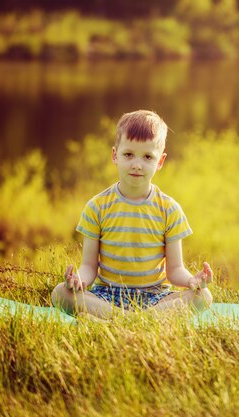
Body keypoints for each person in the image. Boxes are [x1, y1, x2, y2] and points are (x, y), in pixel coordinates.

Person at [51, 110, 213, 319]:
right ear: (115, 155)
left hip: (154, 298)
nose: (137, 164)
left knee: (203, 296)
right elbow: (89, 267)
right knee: (60, 293)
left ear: (160, 161)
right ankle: (137, 322)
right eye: (129, 154)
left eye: (147, 157)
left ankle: (114, 322)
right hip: (107, 296)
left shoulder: (169, 209)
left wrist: (193, 280)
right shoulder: (97, 207)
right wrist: (78, 280)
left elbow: (175, 270)